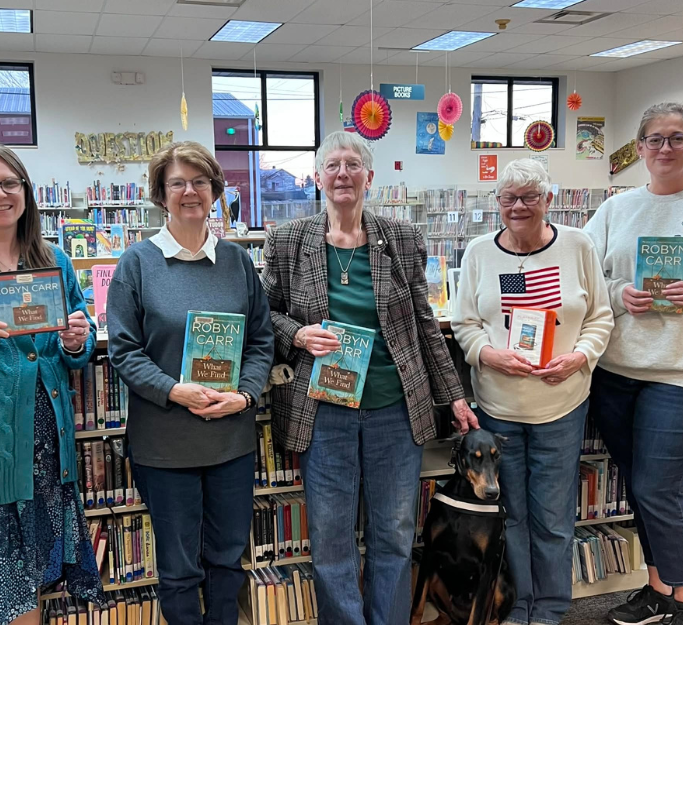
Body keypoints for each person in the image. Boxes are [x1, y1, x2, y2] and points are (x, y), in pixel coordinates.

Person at [261, 130, 477, 625]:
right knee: (333, 541)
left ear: (369, 177)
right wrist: (298, 335)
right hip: (324, 413)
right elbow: (263, 315)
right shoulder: (288, 240)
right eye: (333, 165)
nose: (343, 173)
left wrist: (455, 397)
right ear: (318, 178)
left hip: (394, 413)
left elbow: (424, 324)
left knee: (395, 534)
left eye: (353, 164)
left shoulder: (400, 238)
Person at [106, 141, 274, 625]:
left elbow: (261, 341)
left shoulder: (238, 262)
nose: (190, 192)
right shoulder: (137, 263)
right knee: (179, 570)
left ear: (215, 191)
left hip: (231, 440)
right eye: (177, 183)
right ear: (161, 194)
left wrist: (243, 394)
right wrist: (174, 390)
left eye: (200, 181)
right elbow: (124, 350)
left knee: (227, 560)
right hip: (165, 444)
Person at [453, 158, 614, 625]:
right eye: (508, 198)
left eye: (528, 197)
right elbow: (465, 323)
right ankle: (518, 604)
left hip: (561, 406)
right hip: (500, 408)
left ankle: (550, 609)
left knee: (553, 517)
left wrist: (580, 356)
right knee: (511, 515)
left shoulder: (578, 246)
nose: (518, 206)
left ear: (548, 199)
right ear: (497, 203)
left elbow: (601, 316)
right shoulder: (480, 252)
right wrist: (487, 353)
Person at [585, 102, 683, 625]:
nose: (666, 148)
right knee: (637, 485)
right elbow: (584, 278)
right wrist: (620, 293)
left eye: (677, 137)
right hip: (616, 372)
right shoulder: (615, 210)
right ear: (640, 148)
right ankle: (657, 590)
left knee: (657, 487)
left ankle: (679, 599)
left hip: (674, 376)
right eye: (655, 139)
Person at [0, 145, 100, 626]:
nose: (1, 194)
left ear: (26, 193)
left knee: (33, 577)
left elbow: (80, 336)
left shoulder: (54, 259)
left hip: (45, 445)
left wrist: (79, 339)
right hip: (3, 442)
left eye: (9, 183)